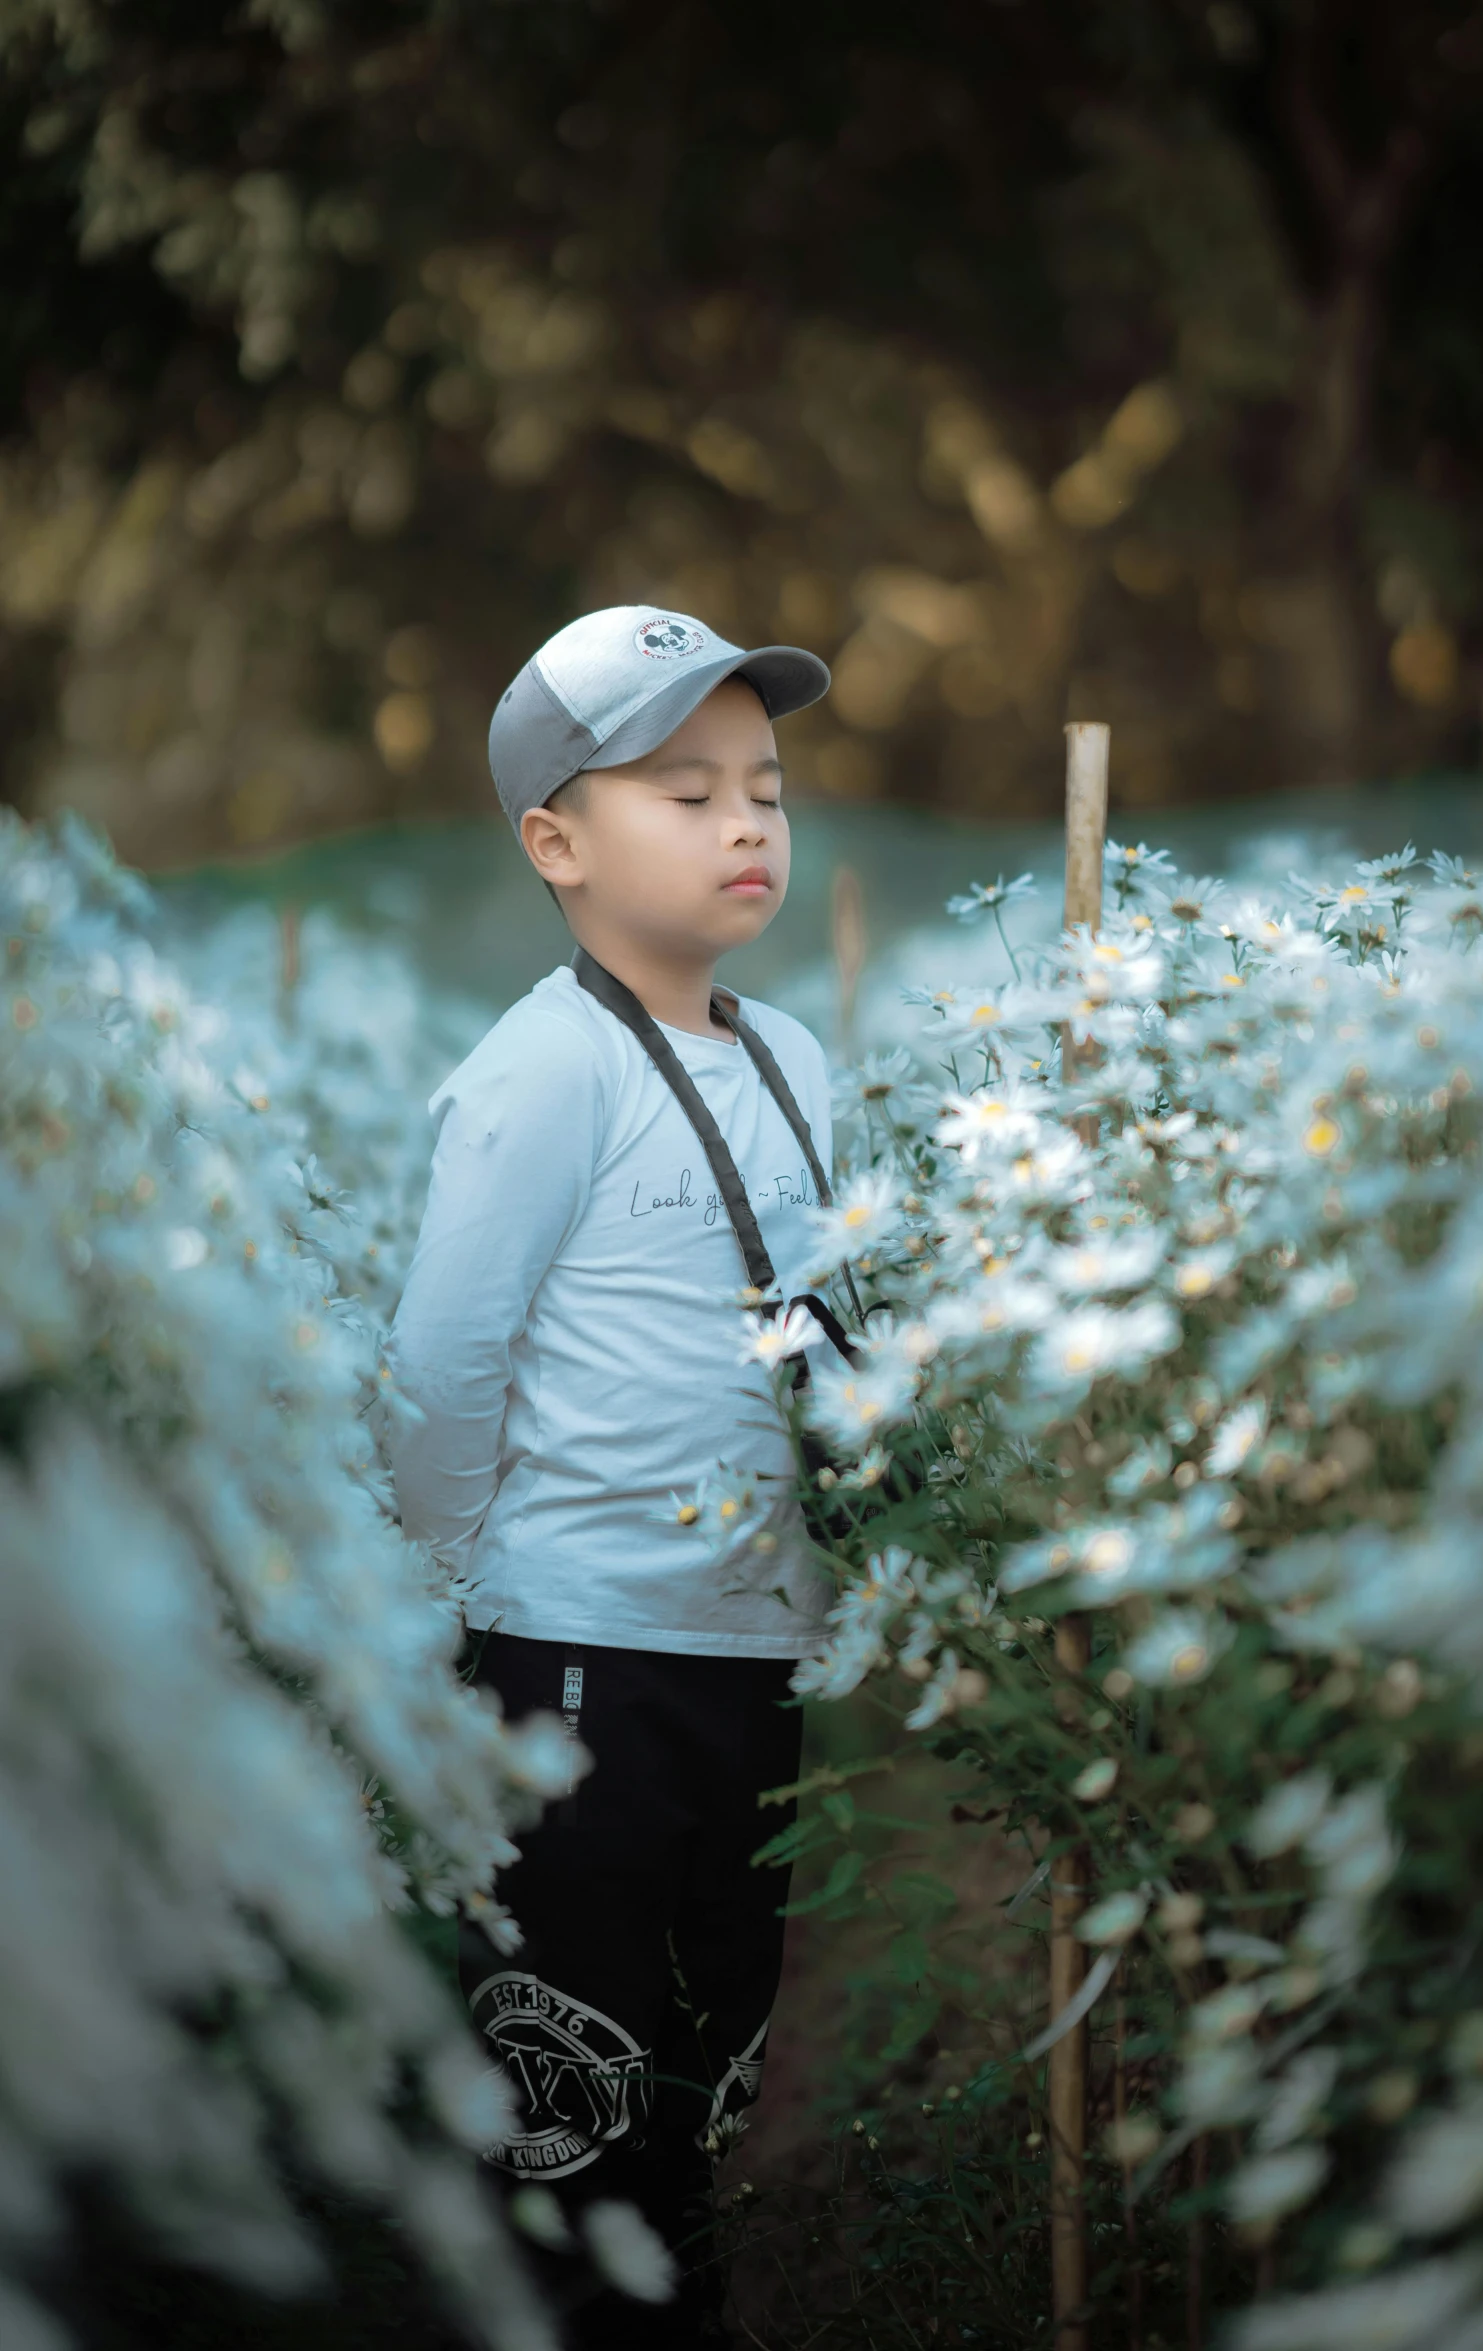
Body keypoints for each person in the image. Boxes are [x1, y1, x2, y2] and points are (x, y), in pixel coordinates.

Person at [385, 606, 838, 2346]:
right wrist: (457, 1595)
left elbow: (817, 1320)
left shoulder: (793, 1061)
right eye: (683, 787)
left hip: (752, 1642)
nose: (746, 824)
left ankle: (675, 2288)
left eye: (766, 788)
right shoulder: (541, 1069)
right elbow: (444, 1362)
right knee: (569, 2048)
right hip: (574, 1653)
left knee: (719, 2020)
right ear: (555, 842)